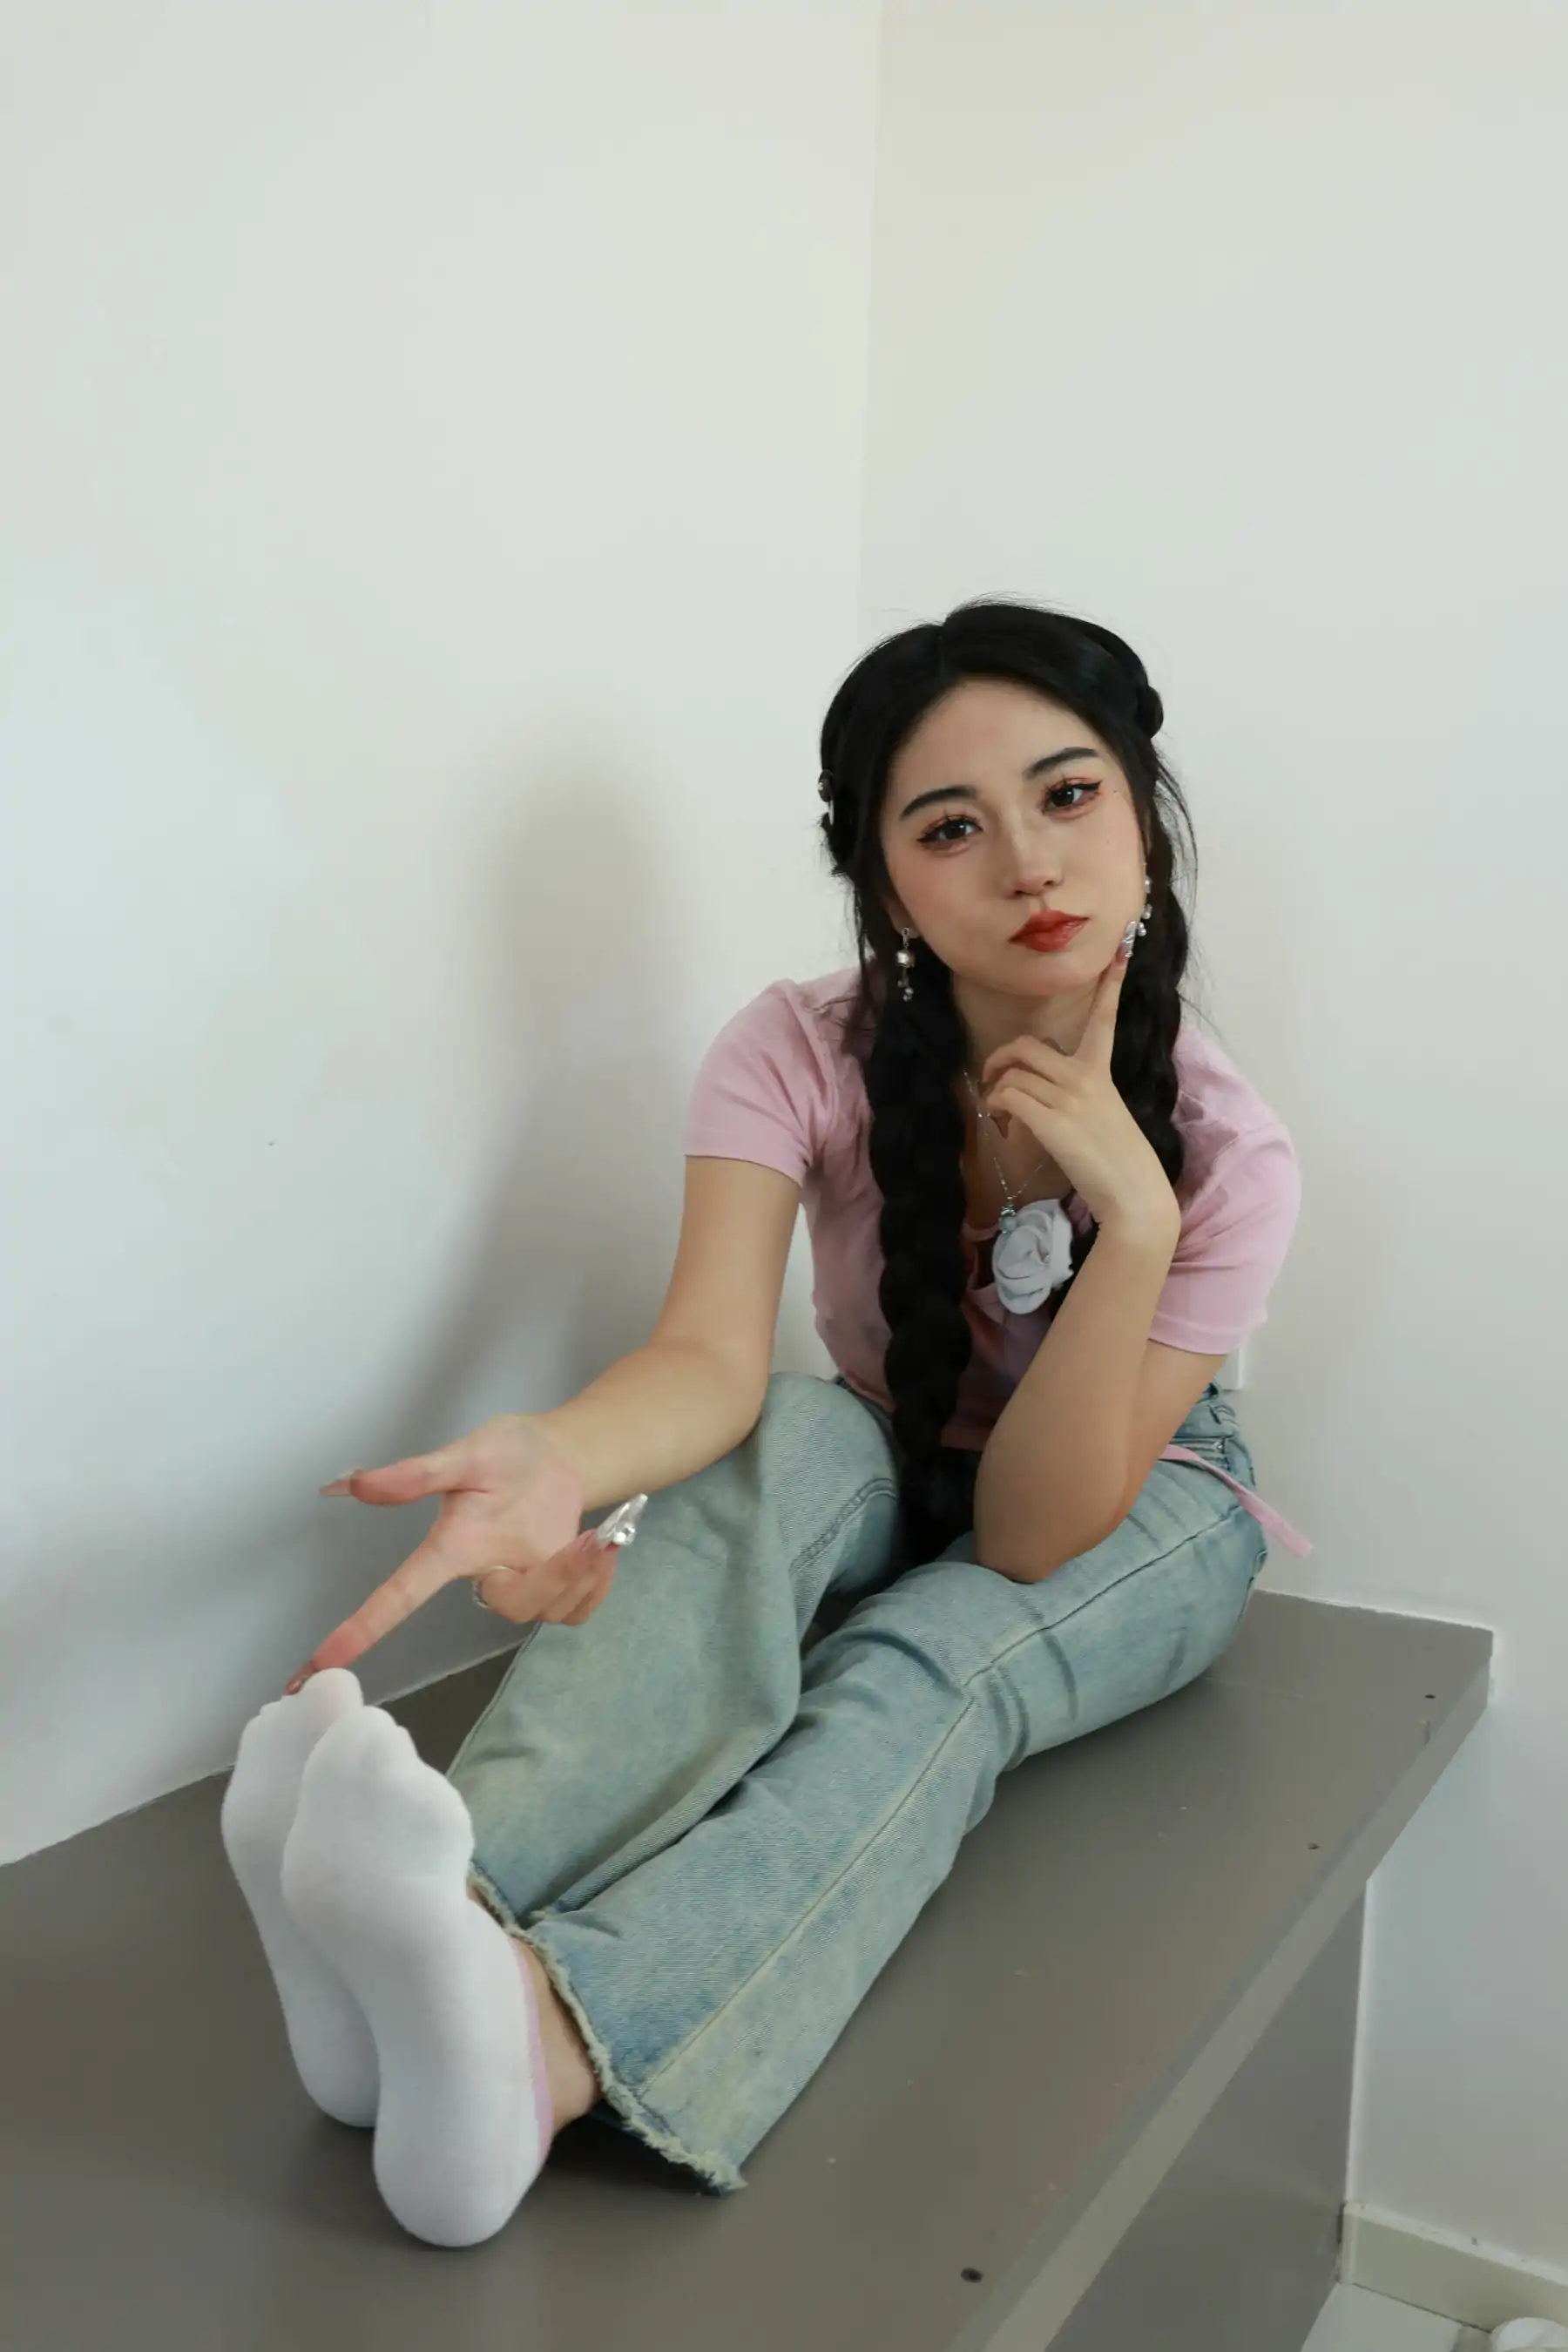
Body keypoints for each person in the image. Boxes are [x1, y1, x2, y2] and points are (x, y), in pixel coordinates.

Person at [220, 598, 1311, 2248]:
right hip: (900, 1436)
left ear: (1145, 826)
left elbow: (1029, 1539)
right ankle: (429, 1926)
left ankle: (552, 2049)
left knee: (934, 1658)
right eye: (952, 826)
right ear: (886, 883)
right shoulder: (798, 1048)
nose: (1029, 862)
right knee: (779, 1448)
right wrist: (565, 1456)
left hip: (1142, 1503)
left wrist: (1138, 1223)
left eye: (1069, 795)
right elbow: (709, 1362)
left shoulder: (1230, 1155)